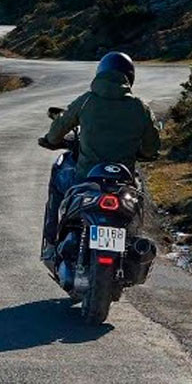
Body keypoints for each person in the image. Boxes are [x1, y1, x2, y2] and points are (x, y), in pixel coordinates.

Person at [38, 51, 162, 263]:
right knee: (137, 198)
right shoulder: (140, 107)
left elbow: (59, 127)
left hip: (87, 177)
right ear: (129, 77)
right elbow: (152, 147)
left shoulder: (86, 101)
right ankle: (133, 241)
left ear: (100, 74)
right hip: (123, 180)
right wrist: (143, 152)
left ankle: (51, 243)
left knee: (59, 182)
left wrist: (51, 139)